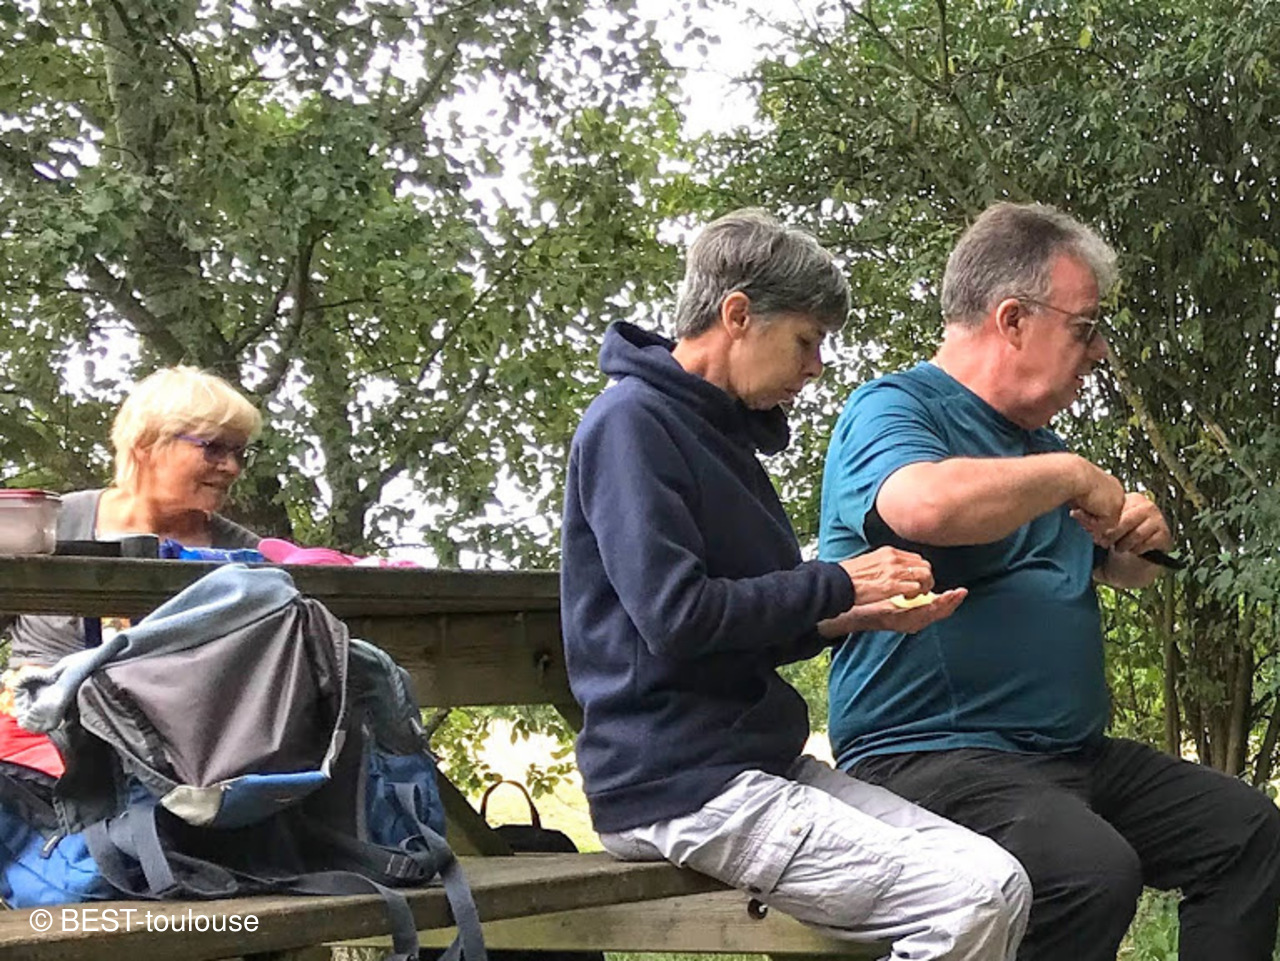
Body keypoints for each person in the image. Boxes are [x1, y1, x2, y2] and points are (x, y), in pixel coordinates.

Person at [561, 208, 1032, 960]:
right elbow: (675, 618)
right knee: (962, 902)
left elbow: (743, 624)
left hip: (755, 764)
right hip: (677, 785)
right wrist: (837, 583)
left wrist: (856, 613)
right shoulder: (632, 424)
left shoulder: (721, 436)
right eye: (806, 340)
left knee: (1002, 881)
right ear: (738, 314)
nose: (815, 366)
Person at [818, 201, 1280, 960]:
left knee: (1245, 831)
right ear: (1011, 319)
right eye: (1085, 327)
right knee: (1088, 872)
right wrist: (1070, 474)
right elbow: (922, 504)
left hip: (1067, 759)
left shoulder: (1037, 446)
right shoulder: (895, 407)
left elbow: (1113, 570)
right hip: (930, 757)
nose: (1099, 351)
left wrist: (1137, 546)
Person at [3, 366, 261, 666]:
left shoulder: (247, 555)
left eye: (239, 453)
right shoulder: (48, 522)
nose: (232, 467)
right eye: (213, 448)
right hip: (38, 693)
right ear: (146, 444)